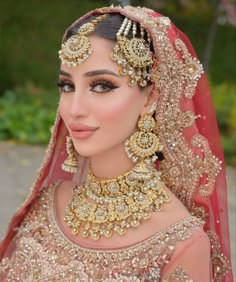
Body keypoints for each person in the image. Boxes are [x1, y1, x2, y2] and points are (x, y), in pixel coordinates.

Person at [0, 5, 233, 281]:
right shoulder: (48, 203)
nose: (75, 109)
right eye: (66, 86)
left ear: (149, 98)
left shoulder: (180, 243)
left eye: (101, 86)